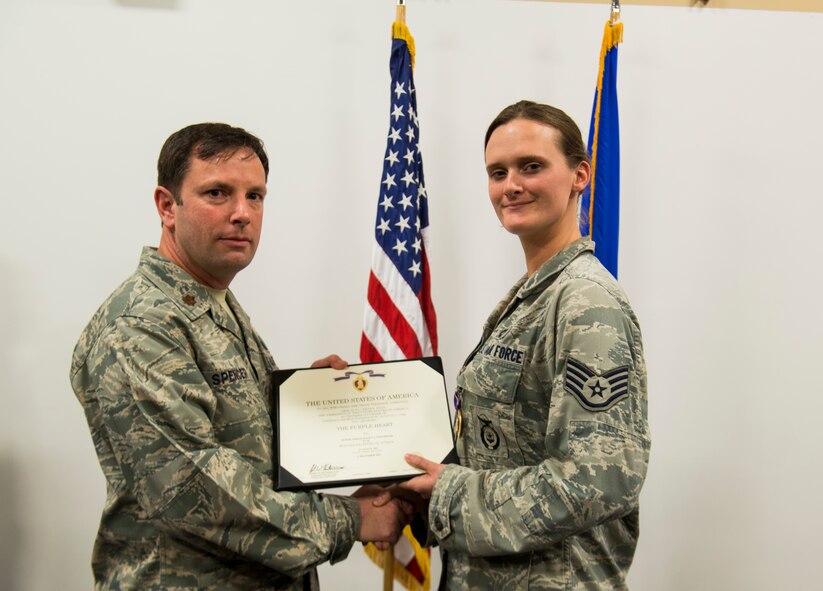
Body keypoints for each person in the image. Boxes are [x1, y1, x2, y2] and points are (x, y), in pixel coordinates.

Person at [70, 123, 410, 590]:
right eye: (217, 193)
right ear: (167, 206)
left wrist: (308, 412)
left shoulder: (211, 301)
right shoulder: (139, 324)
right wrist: (350, 519)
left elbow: (239, 446)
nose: (242, 213)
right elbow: (191, 490)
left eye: (255, 196)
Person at [397, 101, 651, 589]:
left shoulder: (586, 302)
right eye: (498, 172)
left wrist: (447, 493)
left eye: (531, 167)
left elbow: (597, 481)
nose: (510, 185)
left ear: (580, 175)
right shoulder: (533, 295)